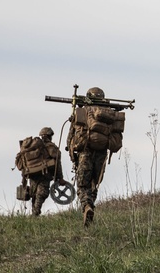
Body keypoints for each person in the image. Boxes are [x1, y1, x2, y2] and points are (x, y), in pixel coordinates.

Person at [66, 86, 114, 226]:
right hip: (102, 153)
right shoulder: (107, 114)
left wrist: (72, 153)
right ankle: (91, 207)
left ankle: (87, 206)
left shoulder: (82, 112)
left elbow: (71, 137)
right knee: (94, 183)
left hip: (85, 152)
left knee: (82, 185)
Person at [15, 127, 63, 216]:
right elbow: (57, 162)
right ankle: (35, 213)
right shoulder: (50, 146)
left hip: (32, 174)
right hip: (45, 174)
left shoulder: (31, 147)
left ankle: (34, 214)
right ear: (50, 136)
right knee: (41, 193)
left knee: (34, 194)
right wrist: (60, 178)